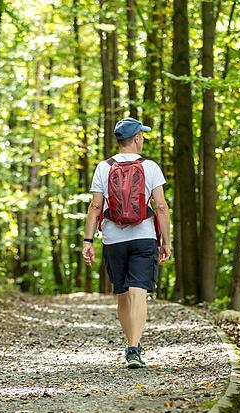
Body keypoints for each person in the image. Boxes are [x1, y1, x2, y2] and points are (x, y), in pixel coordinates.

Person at [83, 117, 171, 369]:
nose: (142, 139)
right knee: (139, 291)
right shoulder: (150, 167)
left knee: (122, 292)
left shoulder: (104, 167)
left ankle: (129, 342)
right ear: (135, 139)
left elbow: (95, 206)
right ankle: (134, 347)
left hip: (114, 239)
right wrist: (166, 241)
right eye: (141, 135)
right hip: (143, 236)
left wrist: (88, 240)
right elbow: (161, 207)